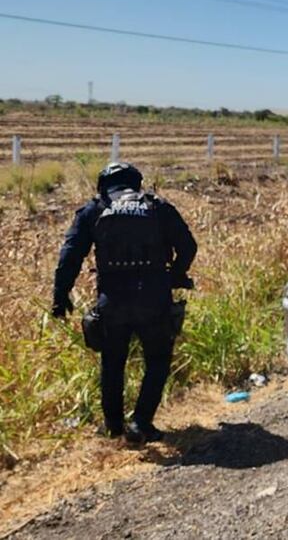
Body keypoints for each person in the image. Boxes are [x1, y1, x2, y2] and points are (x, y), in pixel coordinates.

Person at [52, 163, 197, 443]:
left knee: (112, 361)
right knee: (157, 359)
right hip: (154, 298)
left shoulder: (94, 209)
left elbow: (69, 255)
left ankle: (114, 426)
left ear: (103, 185)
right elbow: (188, 246)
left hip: (112, 300)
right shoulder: (157, 207)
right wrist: (176, 275)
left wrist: (60, 295)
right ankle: (141, 423)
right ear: (137, 183)